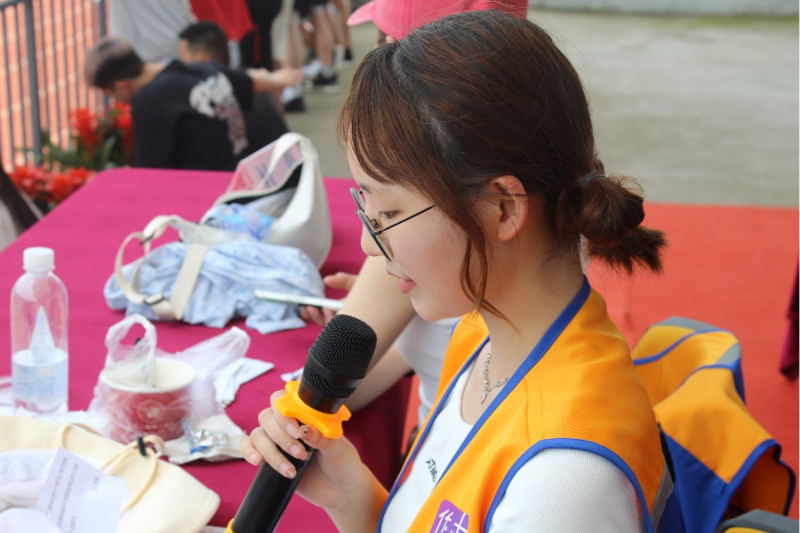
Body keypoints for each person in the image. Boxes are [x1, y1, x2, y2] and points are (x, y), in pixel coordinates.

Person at [242, 10, 674, 533]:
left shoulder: (562, 482)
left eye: (389, 213)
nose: (368, 244)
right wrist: (352, 496)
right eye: (366, 209)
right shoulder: (484, 330)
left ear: (503, 208)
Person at [84, 37, 301, 171]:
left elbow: (152, 173)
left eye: (111, 94)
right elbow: (248, 80)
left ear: (122, 86)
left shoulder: (149, 101)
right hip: (243, 174)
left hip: (211, 193)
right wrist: (276, 80)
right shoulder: (200, 69)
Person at [178, 22, 289, 157]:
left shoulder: (211, 109)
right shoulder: (252, 86)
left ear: (202, 61)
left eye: (182, 61)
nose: (178, 70)